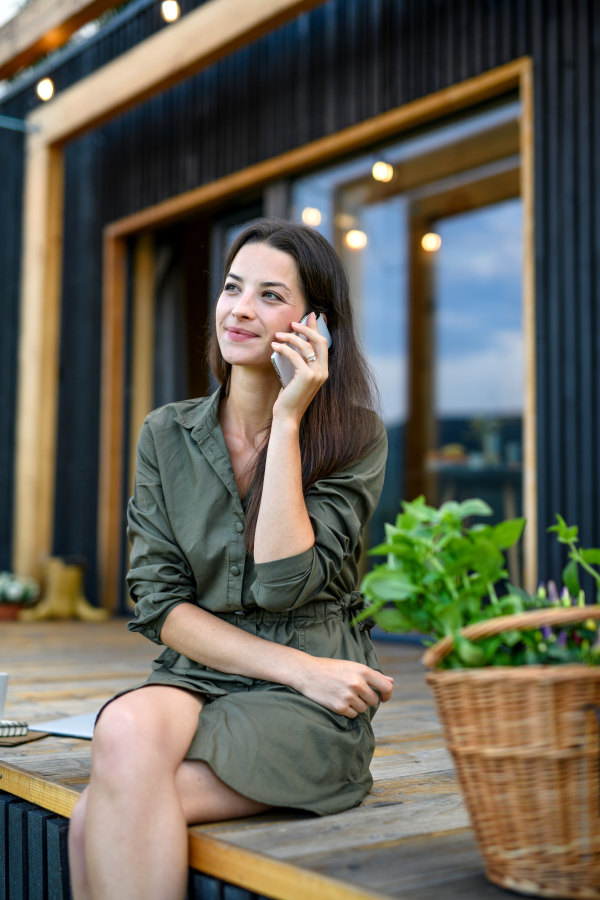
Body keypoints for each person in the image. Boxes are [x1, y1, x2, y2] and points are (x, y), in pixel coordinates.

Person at [68, 218, 393, 900]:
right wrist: (301, 669)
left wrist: (289, 419)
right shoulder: (166, 432)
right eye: (231, 287)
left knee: (94, 812)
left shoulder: (355, 436)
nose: (239, 308)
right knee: (123, 723)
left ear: (316, 326)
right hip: (232, 674)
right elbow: (159, 606)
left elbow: (282, 584)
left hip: (306, 711)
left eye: (270, 295)